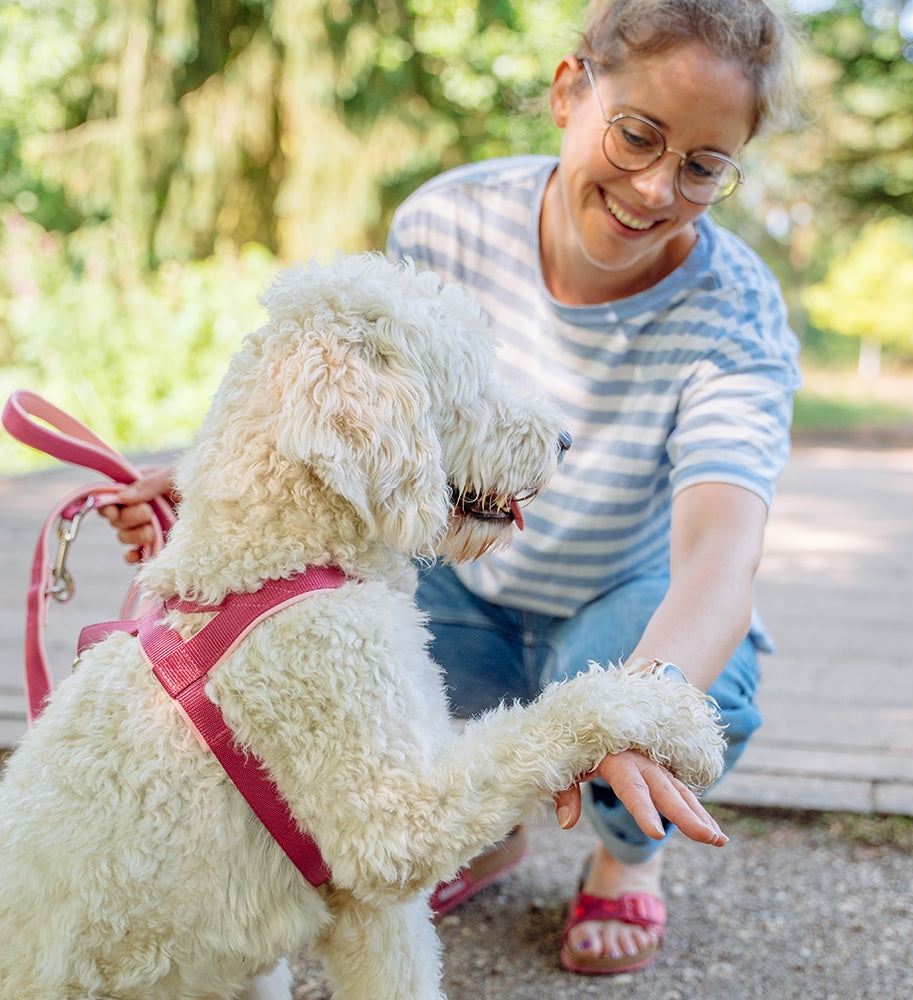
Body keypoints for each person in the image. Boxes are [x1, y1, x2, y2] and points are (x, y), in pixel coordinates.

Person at [105, 0, 802, 977]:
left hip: (620, 598)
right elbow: (367, 402)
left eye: (702, 166)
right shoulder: (449, 218)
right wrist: (210, 477)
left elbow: (721, 554)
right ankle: (479, 823)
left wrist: (637, 708)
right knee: (320, 625)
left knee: (683, 687)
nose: (655, 187)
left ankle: (624, 855)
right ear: (569, 91)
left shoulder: (735, 312)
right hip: (458, 583)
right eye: (639, 135)